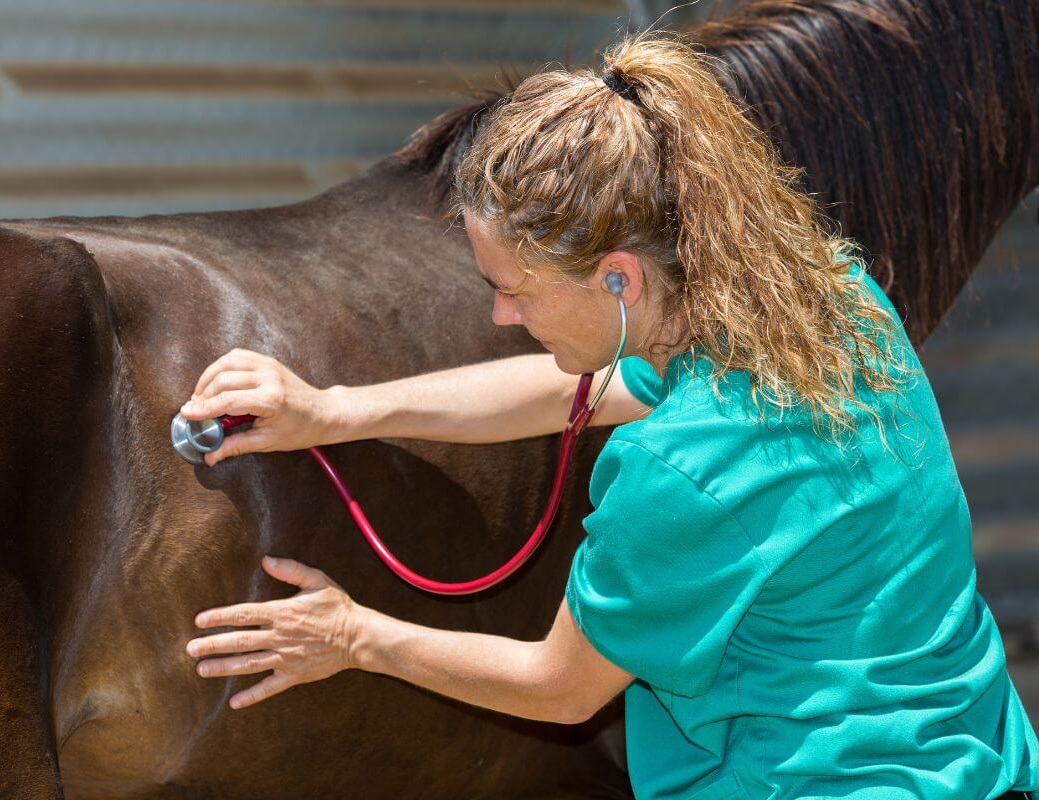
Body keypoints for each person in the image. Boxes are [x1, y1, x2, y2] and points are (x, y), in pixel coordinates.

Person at [178, 30, 1039, 800]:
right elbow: (570, 393)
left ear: (620, 277)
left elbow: (561, 685)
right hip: (981, 757)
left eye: (513, 292)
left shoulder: (678, 473)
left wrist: (352, 635)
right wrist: (334, 409)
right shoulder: (834, 302)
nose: (501, 320)